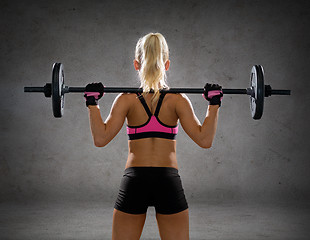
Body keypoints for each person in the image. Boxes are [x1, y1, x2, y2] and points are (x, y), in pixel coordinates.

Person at [84, 33, 223, 240]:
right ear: (166, 64)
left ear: (136, 64)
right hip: (167, 180)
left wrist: (92, 103)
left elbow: (100, 139)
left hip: (135, 180)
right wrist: (213, 104)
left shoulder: (126, 100)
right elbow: (205, 140)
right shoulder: (178, 100)